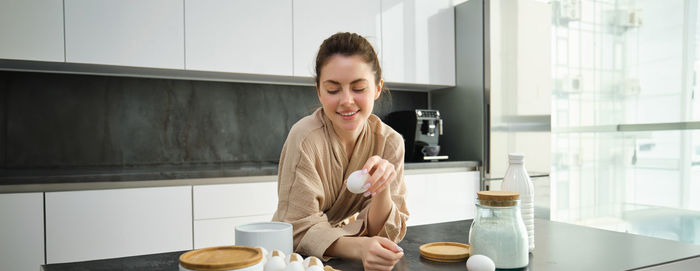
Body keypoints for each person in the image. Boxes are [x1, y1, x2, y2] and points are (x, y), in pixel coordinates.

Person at [272, 32, 409, 271]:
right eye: (333, 90)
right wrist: (359, 248)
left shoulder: (390, 143)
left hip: (341, 258)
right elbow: (296, 227)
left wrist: (382, 188)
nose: (346, 100)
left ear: (377, 88)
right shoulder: (304, 138)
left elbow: (382, 232)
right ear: (319, 91)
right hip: (295, 260)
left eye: (358, 88)